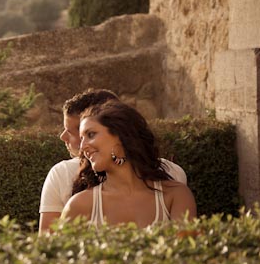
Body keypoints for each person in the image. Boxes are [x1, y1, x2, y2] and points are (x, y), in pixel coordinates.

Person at [38, 89, 187, 234]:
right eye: (82, 137)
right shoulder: (78, 203)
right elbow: (53, 253)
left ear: (121, 134)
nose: (83, 147)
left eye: (91, 134)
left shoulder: (175, 191)